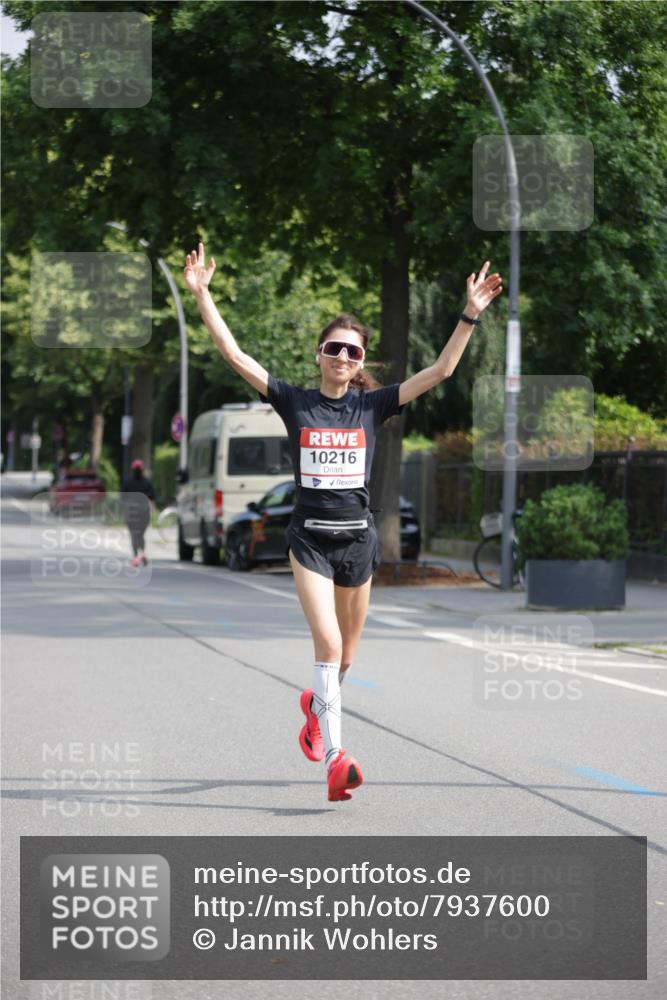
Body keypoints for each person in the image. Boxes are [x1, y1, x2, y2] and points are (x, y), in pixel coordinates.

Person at [184, 241, 502, 802]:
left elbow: (442, 369)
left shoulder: (372, 405)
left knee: (347, 657)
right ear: (319, 353)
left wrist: (469, 313)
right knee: (327, 645)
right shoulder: (293, 401)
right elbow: (235, 356)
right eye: (334, 348)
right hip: (309, 541)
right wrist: (203, 296)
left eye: (353, 353)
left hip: (359, 542)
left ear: (360, 362)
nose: (343, 358)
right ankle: (336, 757)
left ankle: (314, 708)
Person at [121, 459, 155, 567]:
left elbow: (123, 497)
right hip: (144, 512)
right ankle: (142, 553)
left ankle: (136, 555)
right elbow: (153, 496)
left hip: (131, 512)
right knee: (140, 534)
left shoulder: (127, 482)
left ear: (132, 470)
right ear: (142, 469)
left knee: (134, 535)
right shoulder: (147, 482)